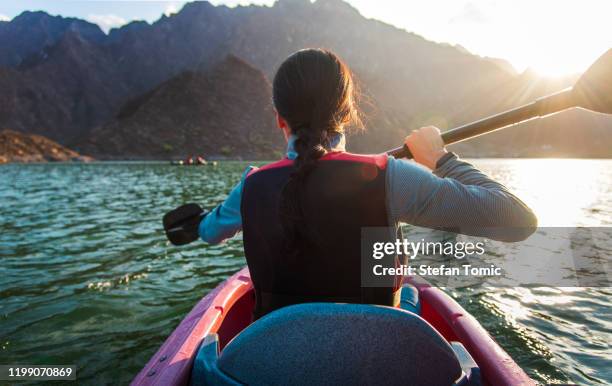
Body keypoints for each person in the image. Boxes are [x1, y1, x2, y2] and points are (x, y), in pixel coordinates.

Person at [198, 49, 537, 319]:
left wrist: (201, 221)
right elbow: (518, 222)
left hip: (276, 361)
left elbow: (209, 232)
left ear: (279, 119)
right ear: (347, 112)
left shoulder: (251, 186)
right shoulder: (389, 176)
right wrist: (441, 159)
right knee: (409, 294)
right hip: (374, 358)